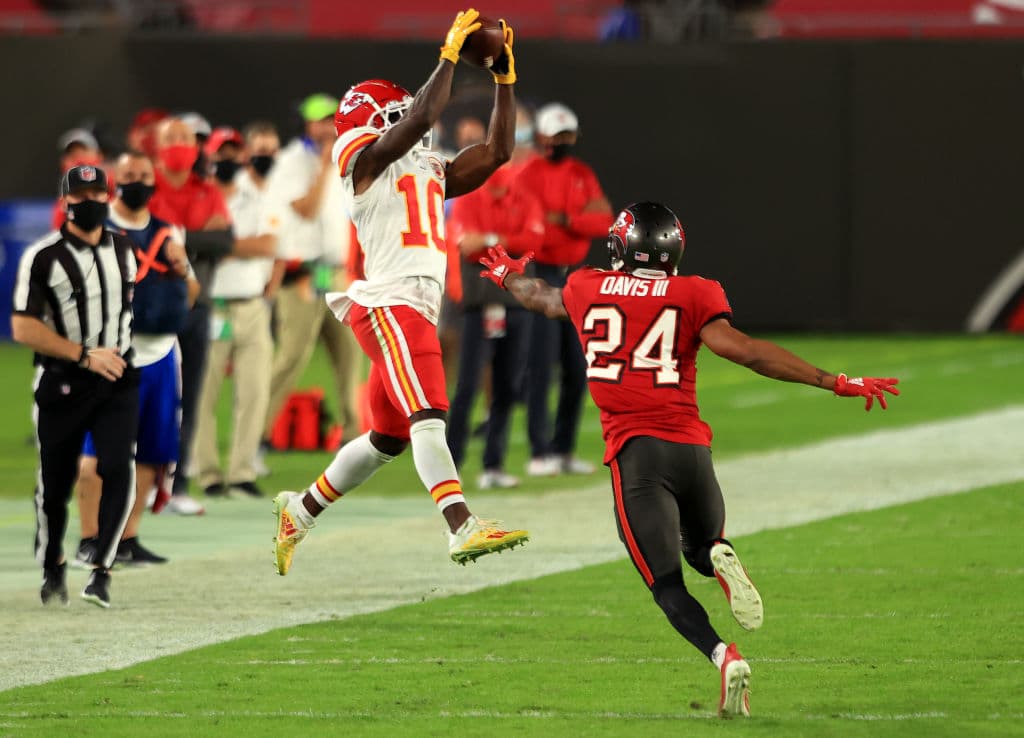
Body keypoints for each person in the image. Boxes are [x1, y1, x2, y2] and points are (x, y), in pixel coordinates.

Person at [478, 201, 901, 716]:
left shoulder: (588, 285)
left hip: (635, 455)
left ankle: (724, 656)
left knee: (666, 585)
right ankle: (719, 555)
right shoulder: (696, 292)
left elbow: (540, 298)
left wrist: (506, 275)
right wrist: (835, 381)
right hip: (690, 449)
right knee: (703, 547)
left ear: (622, 246)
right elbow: (746, 351)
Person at [272, 8, 529, 576]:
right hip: (391, 302)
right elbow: (419, 118)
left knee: (387, 437)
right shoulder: (361, 165)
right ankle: (461, 525)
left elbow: (496, 152)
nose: (407, 118)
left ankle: (300, 510)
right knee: (430, 413)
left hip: (414, 304)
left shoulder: (427, 167)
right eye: (393, 112)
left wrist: (504, 80)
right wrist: (447, 56)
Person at [11, 164, 140, 608]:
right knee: (55, 485)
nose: (90, 202)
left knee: (119, 467)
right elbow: (23, 327)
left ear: (109, 197)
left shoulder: (125, 250)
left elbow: (127, 313)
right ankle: (53, 563)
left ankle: (101, 570)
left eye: (97, 193)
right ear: (65, 201)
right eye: (81, 195)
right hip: (63, 381)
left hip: (117, 378)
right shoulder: (43, 256)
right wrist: (84, 354)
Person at [74, 150, 200, 565]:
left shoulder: (168, 232)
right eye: (129, 175)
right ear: (116, 180)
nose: (138, 182)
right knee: (95, 453)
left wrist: (181, 270)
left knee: (152, 451)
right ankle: (90, 538)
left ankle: (127, 538)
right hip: (110, 354)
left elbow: (191, 295)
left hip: (160, 353)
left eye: (145, 175)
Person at [259, 93, 362, 461]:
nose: (327, 127)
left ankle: (353, 433)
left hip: (334, 272)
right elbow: (306, 210)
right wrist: (322, 167)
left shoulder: (344, 161)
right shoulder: (290, 163)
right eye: (320, 121)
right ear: (306, 124)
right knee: (292, 356)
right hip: (301, 275)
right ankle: (258, 431)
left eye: (331, 120)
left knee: (350, 354)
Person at [515, 102, 614, 477]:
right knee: (541, 366)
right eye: (557, 135)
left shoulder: (581, 173)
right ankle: (539, 451)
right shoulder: (529, 174)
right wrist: (573, 220)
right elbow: (534, 226)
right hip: (542, 274)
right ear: (542, 137)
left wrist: (567, 219)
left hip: (575, 277)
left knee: (577, 366)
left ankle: (563, 448)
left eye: (568, 135)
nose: (562, 142)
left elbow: (603, 220)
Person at [149, 116, 234, 507]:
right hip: (150, 308)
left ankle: (177, 484)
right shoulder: (147, 185)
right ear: (158, 145)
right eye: (171, 138)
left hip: (196, 307)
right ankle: (145, 482)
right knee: (151, 397)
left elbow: (224, 241)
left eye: (185, 138)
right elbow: (142, 238)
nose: (180, 145)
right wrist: (195, 239)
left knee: (190, 398)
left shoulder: (207, 189)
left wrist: (176, 238)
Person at [445, 162, 544, 488]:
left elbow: (534, 243)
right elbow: (466, 247)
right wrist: (510, 244)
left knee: (507, 386)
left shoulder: (526, 199)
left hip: (517, 305)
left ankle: (493, 465)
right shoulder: (469, 199)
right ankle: (450, 466)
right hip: (481, 305)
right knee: (468, 386)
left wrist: (490, 238)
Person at [194, 123, 278, 496]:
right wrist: (237, 245)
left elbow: (270, 245)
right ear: (209, 156)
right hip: (211, 306)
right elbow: (192, 245)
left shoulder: (258, 195)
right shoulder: (200, 197)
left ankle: (242, 473)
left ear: (241, 155)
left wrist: (219, 244)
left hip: (251, 304)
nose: (226, 159)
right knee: (203, 394)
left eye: (232, 153)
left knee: (255, 392)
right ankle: (209, 475)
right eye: (220, 153)